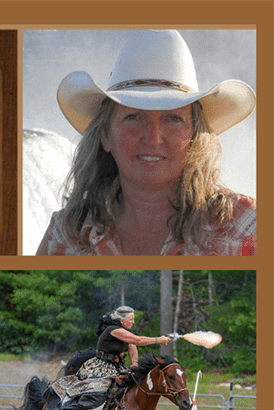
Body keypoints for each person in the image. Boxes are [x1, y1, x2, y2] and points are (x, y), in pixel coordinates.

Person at [37, 29, 256, 256]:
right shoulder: (65, 235)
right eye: (134, 117)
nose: (153, 137)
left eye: (173, 119)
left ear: (194, 136)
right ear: (105, 135)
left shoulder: (249, 228)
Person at [52, 306, 171, 410]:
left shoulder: (125, 331)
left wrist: (134, 362)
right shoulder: (113, 330)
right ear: (122, 320)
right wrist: (158, 340)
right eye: (131, 319)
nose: (133, 322)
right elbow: (138, 340)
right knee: (100, 390)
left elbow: (133, 346)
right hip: (102, 367)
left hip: (117, 367)